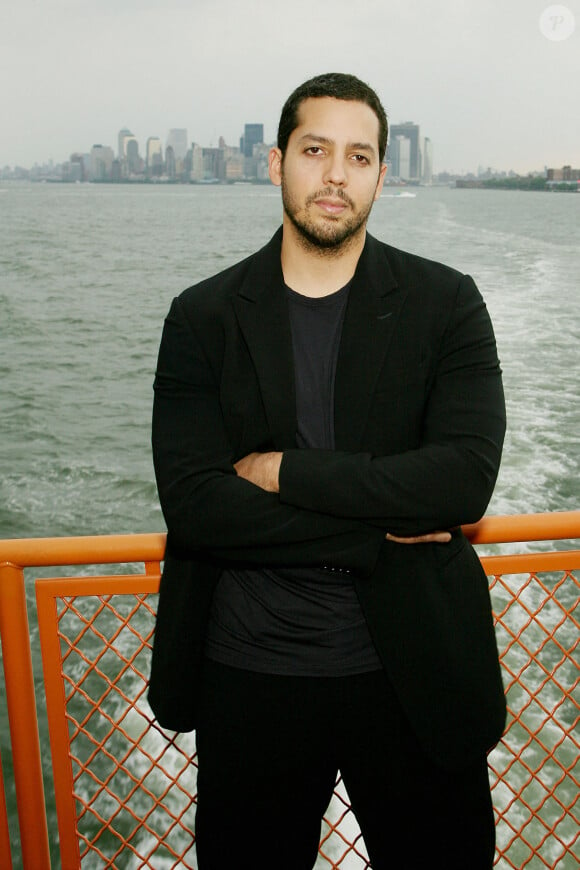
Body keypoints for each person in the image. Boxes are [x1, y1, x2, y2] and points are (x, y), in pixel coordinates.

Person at [148, 72, 506, 869]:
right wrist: (381, 528)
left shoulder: (447, 305)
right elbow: (198, 506)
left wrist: (287, 473)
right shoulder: (203, 316)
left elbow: (462, 483)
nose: (336, 174)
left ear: (383, 173)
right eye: (316, 150)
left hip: (411, 674)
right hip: (251, 676)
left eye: (359, 156)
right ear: (276, 163)